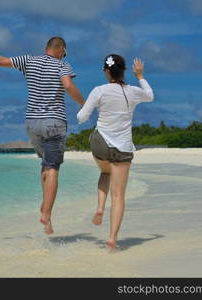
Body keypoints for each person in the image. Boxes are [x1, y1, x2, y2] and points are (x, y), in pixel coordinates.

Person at [0, 37, 85, 234]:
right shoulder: (63, 65)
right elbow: (68, 86)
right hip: (54, 121)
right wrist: (83, 103)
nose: (64, 55)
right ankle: (47, 213)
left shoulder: (29, 60)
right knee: (53, 168)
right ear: (61, 49)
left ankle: (46, 209)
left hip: (32, 123)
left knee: (45, 164)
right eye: (65, 52)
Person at [77, 54, 154, 251]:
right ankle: (112, 239)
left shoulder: (99, 91)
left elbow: (82, 117)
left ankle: (100, 208)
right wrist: (140, 76)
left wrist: (86, 108)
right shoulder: (134, 92)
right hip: (123, 149)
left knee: (105, 172)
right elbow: (150, 95)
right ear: (124, 71)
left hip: (101, 144)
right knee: (118, 196)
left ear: (106, 71)